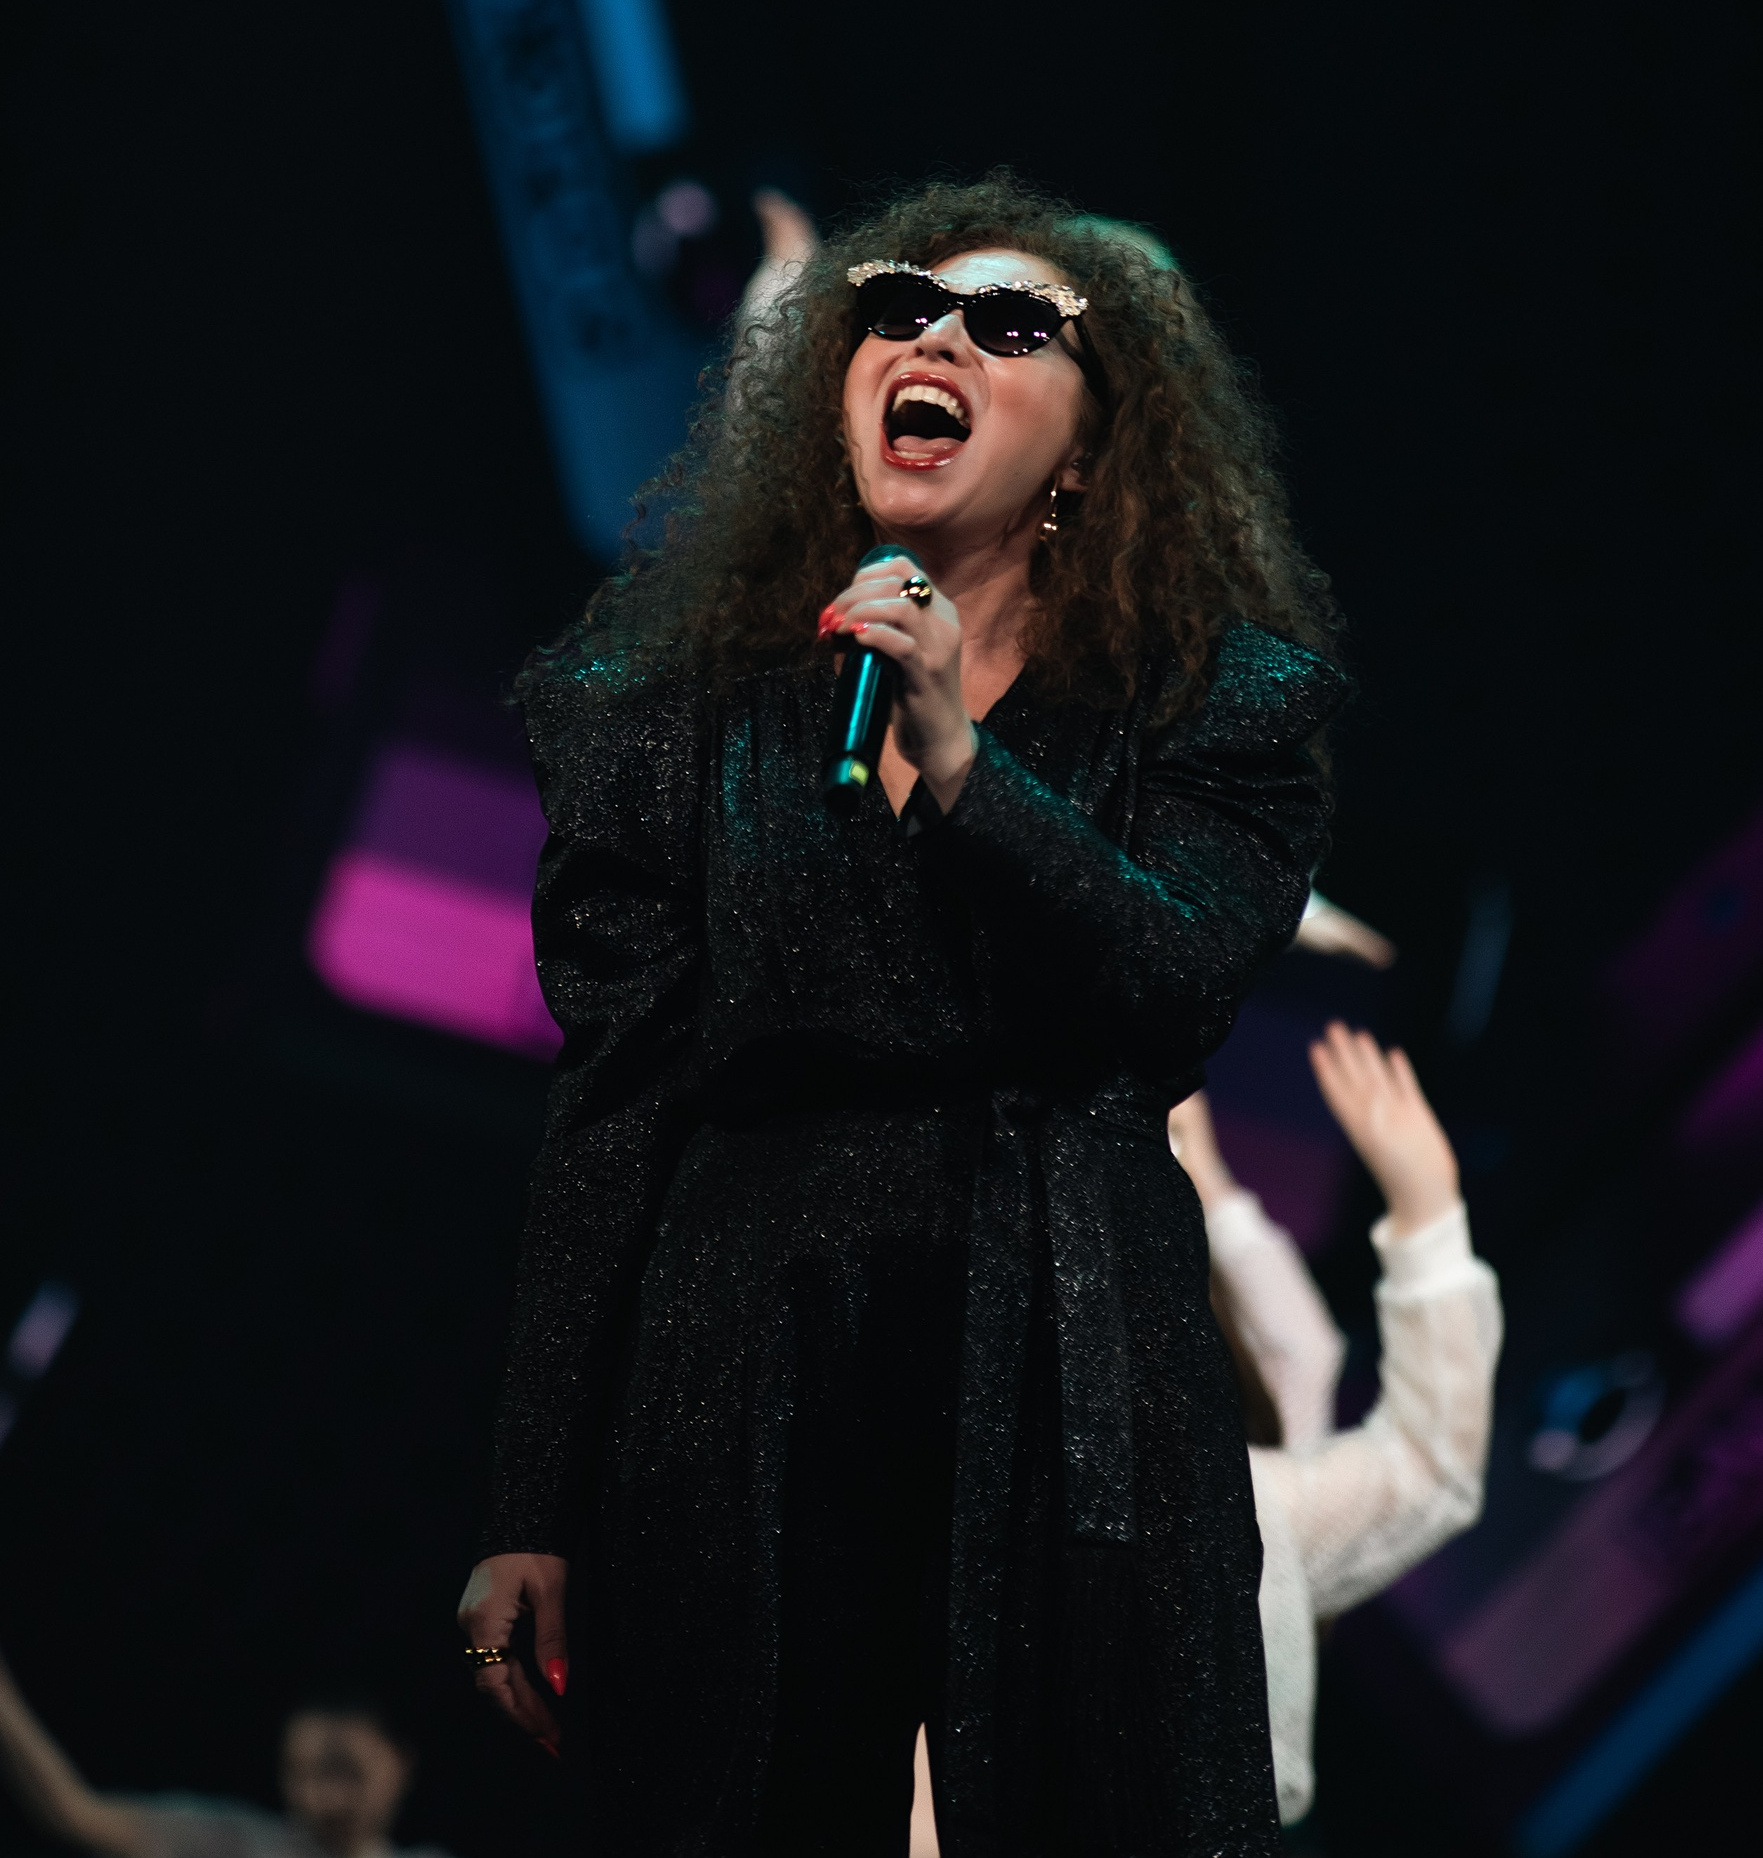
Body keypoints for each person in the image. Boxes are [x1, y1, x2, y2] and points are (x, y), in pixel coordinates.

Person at [458, 174, 1347, 1856]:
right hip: (746, 1356)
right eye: (896, 309)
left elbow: (1172, 981)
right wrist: (531, 1505)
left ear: (1088, 453)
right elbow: (612, 1110)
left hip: (1069, 1343)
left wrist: (962, 765)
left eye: (1008, 326)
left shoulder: (1210, 709)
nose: (933, 338)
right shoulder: (679, 720)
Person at [1177, 1027, 1502, 1828]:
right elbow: (1414, 1455)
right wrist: (1427, 1212)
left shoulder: (1228, 1499)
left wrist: (1209, 1185)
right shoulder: (1229, 1501)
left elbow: (1302, 1364)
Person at [0, 1659, 444, 1858]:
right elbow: (76, 1812)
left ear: (400, 1764)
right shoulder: (233, 1845)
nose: (322, 1799)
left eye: (346, 1772)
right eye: (300, 1773)